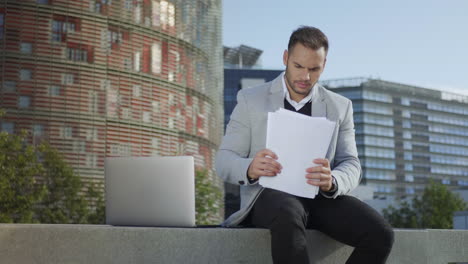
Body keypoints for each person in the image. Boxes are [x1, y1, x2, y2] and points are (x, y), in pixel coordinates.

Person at [216, 26, 394, 263]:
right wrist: (250, 167)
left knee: (380, 233)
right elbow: (224, 160)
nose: (305, 77)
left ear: (324, 65)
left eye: (314, 69)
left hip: (319, 197)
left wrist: (333, 181)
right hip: (268, 197)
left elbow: (351, 164)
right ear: (285, 58)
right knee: (288, 213)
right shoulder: (251, 99)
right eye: (298, 66)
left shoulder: (340, 107)